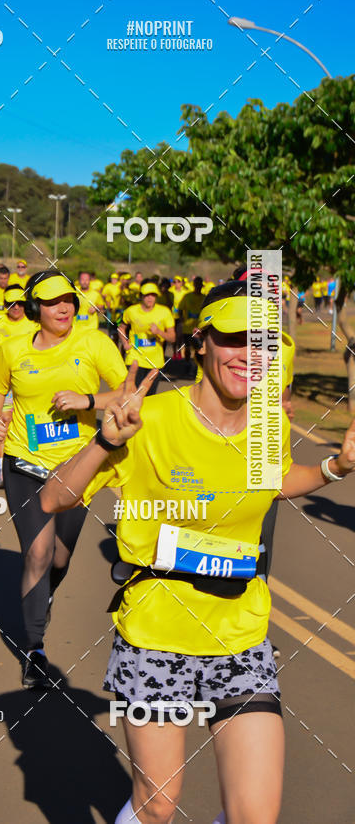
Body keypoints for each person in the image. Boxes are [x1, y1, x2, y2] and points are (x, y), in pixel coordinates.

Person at [41, 280, 355, 824]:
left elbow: (275, 479)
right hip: (155, 641)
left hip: (240, 635)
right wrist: (106, 442)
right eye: (235, 339)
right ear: (203, 343)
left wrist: (335, 469)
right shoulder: (149, 419)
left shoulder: (267, 425)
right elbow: (53, 498)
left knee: (255, 816)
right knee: (159, 805)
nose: (249, 355)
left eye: (262, 342)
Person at [0, 270, 128, 688]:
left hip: (76, 469)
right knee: (39, 553)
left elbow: (128, 392)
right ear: (35, 309)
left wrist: (89, 400)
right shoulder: (13, 348)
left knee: (59, 560)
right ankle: (34, 648)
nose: (62, 307)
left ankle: (39, 600)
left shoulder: (93, 342)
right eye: (51, 302)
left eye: (68, 299)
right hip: (25, 463)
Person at [0, 285, 39, 487]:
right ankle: (3, 472)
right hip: (3, 383)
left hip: (28, 380)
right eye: (11, 304)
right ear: (5, 304)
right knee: (3, 421)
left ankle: (33, 466)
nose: (16, 307)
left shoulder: (33, 324)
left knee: (29, 420)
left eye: (20, 304)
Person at [118, 282, 175, 396]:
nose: (150, 298)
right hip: (135, 357)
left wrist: (159, 331)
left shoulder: (164, 312)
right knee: (132, 394)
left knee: (149, 396)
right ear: (141, 296)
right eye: (147, 295)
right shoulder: (131, 311)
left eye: (153, 295)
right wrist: (125, 343)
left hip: (154, 361)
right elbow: (121, 328)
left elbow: (172, 338)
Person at [178, 276, 205, 365]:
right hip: (187, 328)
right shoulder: (187, 296)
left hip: (199, 329)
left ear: (202, 285)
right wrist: (182, 321)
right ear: (194, 285)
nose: (198, 286)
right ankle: (187, 364)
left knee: (199, 348)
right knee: (187, 348)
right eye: (196, 284)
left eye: (199, 284)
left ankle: (196, 366)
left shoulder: (205, 298)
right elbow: (180, 309)